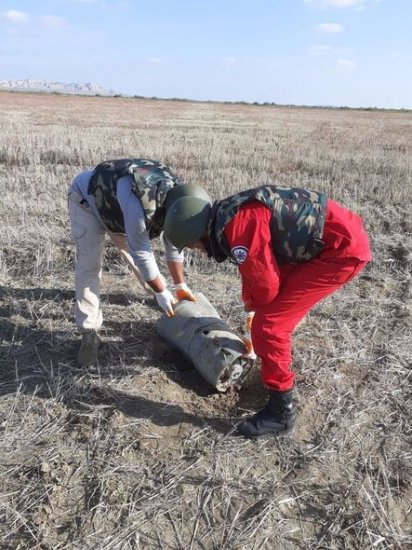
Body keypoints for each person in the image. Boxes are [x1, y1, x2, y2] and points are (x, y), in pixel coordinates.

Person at [163, 184, 372, 438]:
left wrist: (257, 321)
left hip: (340, 250)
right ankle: (275, 363)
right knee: (267, 315)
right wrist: (250, 306)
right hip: (331, 237)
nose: (201, 252)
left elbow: (266, 285)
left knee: (270, 326)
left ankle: (281, 414)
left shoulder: (237, 227)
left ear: (200, 233)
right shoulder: (229, 215)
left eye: (195, 246)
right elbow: (255, 266)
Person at [68, 158, 204, 367]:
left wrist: (180, 285)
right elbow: (141, 251)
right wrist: (161, 291)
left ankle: (162, 299)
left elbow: (174, 244)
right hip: (87, 202)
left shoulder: (178, 203)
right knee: (90, 266)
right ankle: (89, 333)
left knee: (143, 268)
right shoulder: (138, 200)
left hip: (116, 211)